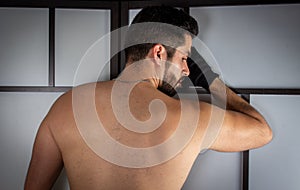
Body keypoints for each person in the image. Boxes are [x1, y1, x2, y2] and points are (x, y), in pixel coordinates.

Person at [24, 6, 272, 190]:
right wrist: (207, 76)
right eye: (185, 58)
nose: (187, 70)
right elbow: (262, 131)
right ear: (159, 52)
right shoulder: (192, 119)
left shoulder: (65, 107)